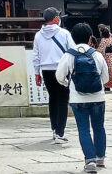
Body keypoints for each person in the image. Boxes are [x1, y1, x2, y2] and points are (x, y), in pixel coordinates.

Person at [55, 22, 109, 173]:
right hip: (98, 98)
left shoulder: (69, 55)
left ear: (72, 37)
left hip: (78, 99)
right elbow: (105, 78)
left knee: (83, 129)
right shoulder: (97, 55)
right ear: (90, 37)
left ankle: (89, 160)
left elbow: (59, 76)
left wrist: (68, 83)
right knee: (99, 127)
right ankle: (100, 158)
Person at [32, 7, 74, 144]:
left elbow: (36, 56)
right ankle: (60, 133)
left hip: (46, 70)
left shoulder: (39, 35)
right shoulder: (64, 33)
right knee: (63, 100)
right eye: (58, 15)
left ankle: (54, 128)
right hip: (61, 68)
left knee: (53, 98)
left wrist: (37, 72)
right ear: (56, 18)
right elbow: (72, 51)